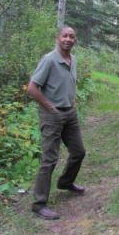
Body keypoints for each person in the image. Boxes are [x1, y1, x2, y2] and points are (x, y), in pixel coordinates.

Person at [27, 26, 86, 220]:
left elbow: (69, 83)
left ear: (75, 40)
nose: (68, 39)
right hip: (51, 116)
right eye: (65, 36)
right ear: (58, 38)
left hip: (70, 114)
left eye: (72, 36)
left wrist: (72, 100)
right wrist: (49, 107)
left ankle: (65, 183)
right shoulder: (49, 60)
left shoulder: (73, 60)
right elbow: (32, 88)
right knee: (49, 160)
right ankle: (39, 204)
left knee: (78, 152)